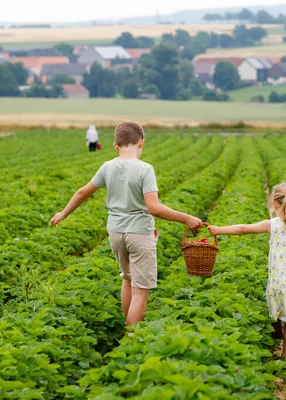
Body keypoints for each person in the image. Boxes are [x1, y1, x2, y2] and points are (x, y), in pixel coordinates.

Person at [51, 121, 203, 326]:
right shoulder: (145, 169)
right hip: (139, 232)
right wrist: (186, 218)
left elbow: (82, 193)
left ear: (116, 146)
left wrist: (64, 213)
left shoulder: (107, 166)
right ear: (141, 143)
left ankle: (127, 327)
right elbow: (154, 207)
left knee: (128, 279)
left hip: (115, 232)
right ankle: (131, 338)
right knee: (141, 291)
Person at [207, 183, 286, 365]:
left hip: (278, 281)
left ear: (274, 204)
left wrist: (219, 229)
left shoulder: (272, 225)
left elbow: (243, 229)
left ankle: (276, 333)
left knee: (275, 312)